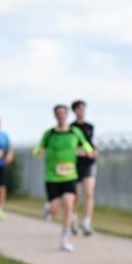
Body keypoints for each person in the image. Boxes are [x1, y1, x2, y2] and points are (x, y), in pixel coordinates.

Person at [34, 104, 95, 252]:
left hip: (69, 175)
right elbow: (38, 148)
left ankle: (64, 239)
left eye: (63, 113)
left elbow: (86, 145)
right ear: (55, 116)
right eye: (58, 113)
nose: (61, 116)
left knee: (69, 204)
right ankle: (49, 207)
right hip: (52, 176)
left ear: (66, 115)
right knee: (55, 210)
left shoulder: (75, 132)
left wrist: (89, 151)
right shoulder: (49, 133)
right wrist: (38, 152)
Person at [71, 99, 98, 235]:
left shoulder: (90, 127)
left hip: (88, 164)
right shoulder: (71, 128)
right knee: (75, 195)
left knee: (89, 193)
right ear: (74, 111)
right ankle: (73, 220)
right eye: (79, 109)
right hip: (75, 164)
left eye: (83, 109)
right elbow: (71, 147)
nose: (82, 111)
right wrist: (82, 152)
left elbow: (92, 143)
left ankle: (87, 223)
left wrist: (94, 152)